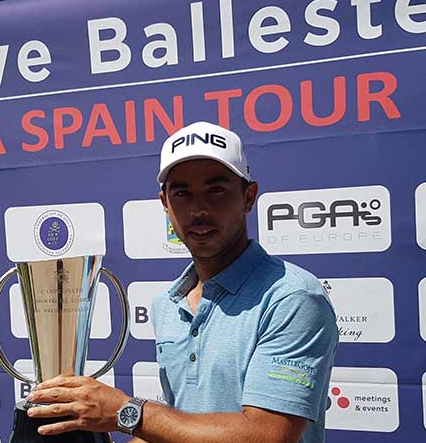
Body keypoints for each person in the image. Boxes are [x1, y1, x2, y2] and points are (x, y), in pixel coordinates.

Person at [28, 121, 338, 443]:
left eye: (216, 190)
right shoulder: (167, 304)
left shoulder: (292, 298)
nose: (198, 209)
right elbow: (178, 428)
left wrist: (124, 412)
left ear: (249, 197)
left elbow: (267, 435)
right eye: (182, 193)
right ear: (165, 203)